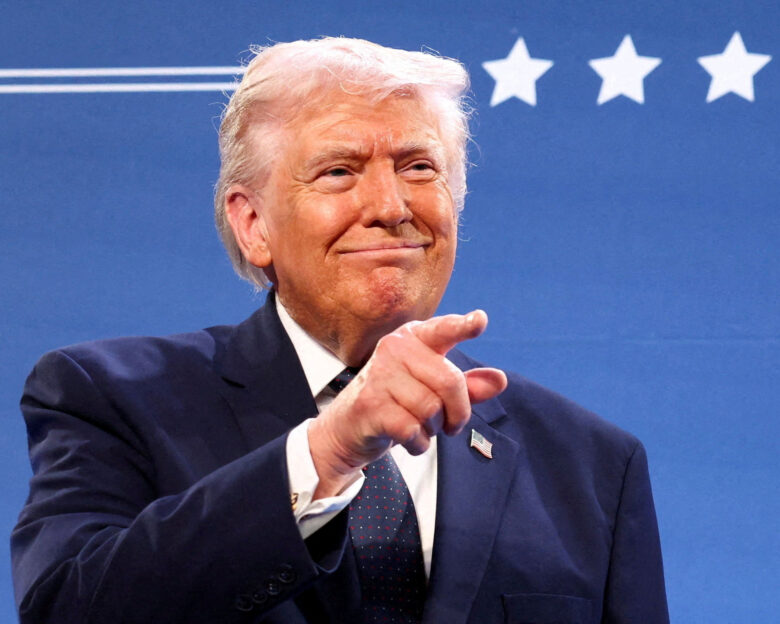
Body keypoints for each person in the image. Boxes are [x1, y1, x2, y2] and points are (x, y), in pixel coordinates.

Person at [12, 37, 668, 623]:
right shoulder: (113, 398)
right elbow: (69, 607)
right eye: (339, 172)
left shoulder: (590, 465)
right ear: (253, 224)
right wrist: (329, 450)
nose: (389, 207)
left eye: (419, 167)